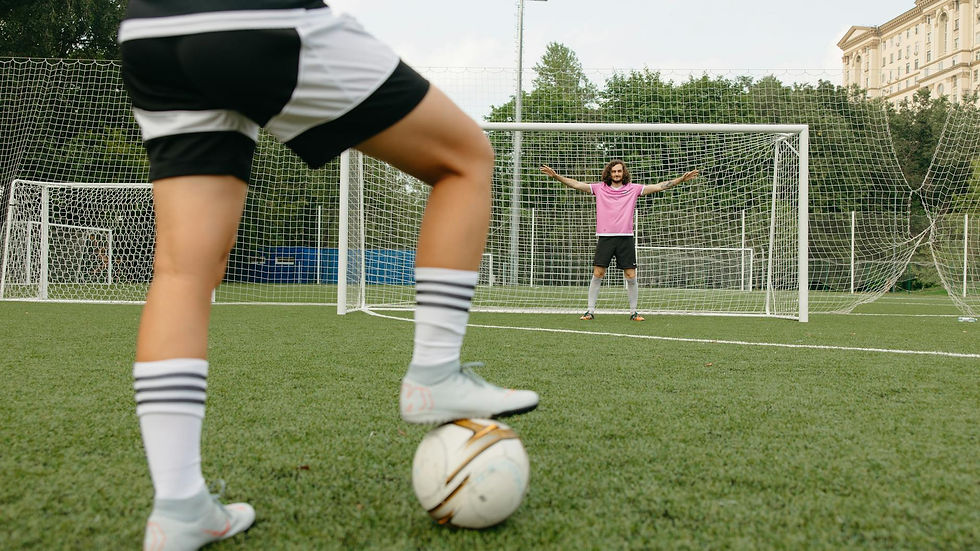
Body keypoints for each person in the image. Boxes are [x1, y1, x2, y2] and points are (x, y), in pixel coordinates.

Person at [118, 2, 538, 549]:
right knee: (465, 159)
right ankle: (435, 374)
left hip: (149, 31)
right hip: (250, 16)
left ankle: (178, 509)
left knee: (182, 271)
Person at [540, 160, 698, 321]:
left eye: (619, 171)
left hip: (625, 237)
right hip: (605, 237)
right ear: (609, 173)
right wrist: (556, 176)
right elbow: (577, 184)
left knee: (630, 275)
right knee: (598, 273)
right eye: (614, 171)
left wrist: (680, 180)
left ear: (624, 173)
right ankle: (590, 310)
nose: (616, 174)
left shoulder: (633, 189)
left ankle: (633, 312)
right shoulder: (599, 188)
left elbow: (659, 186)